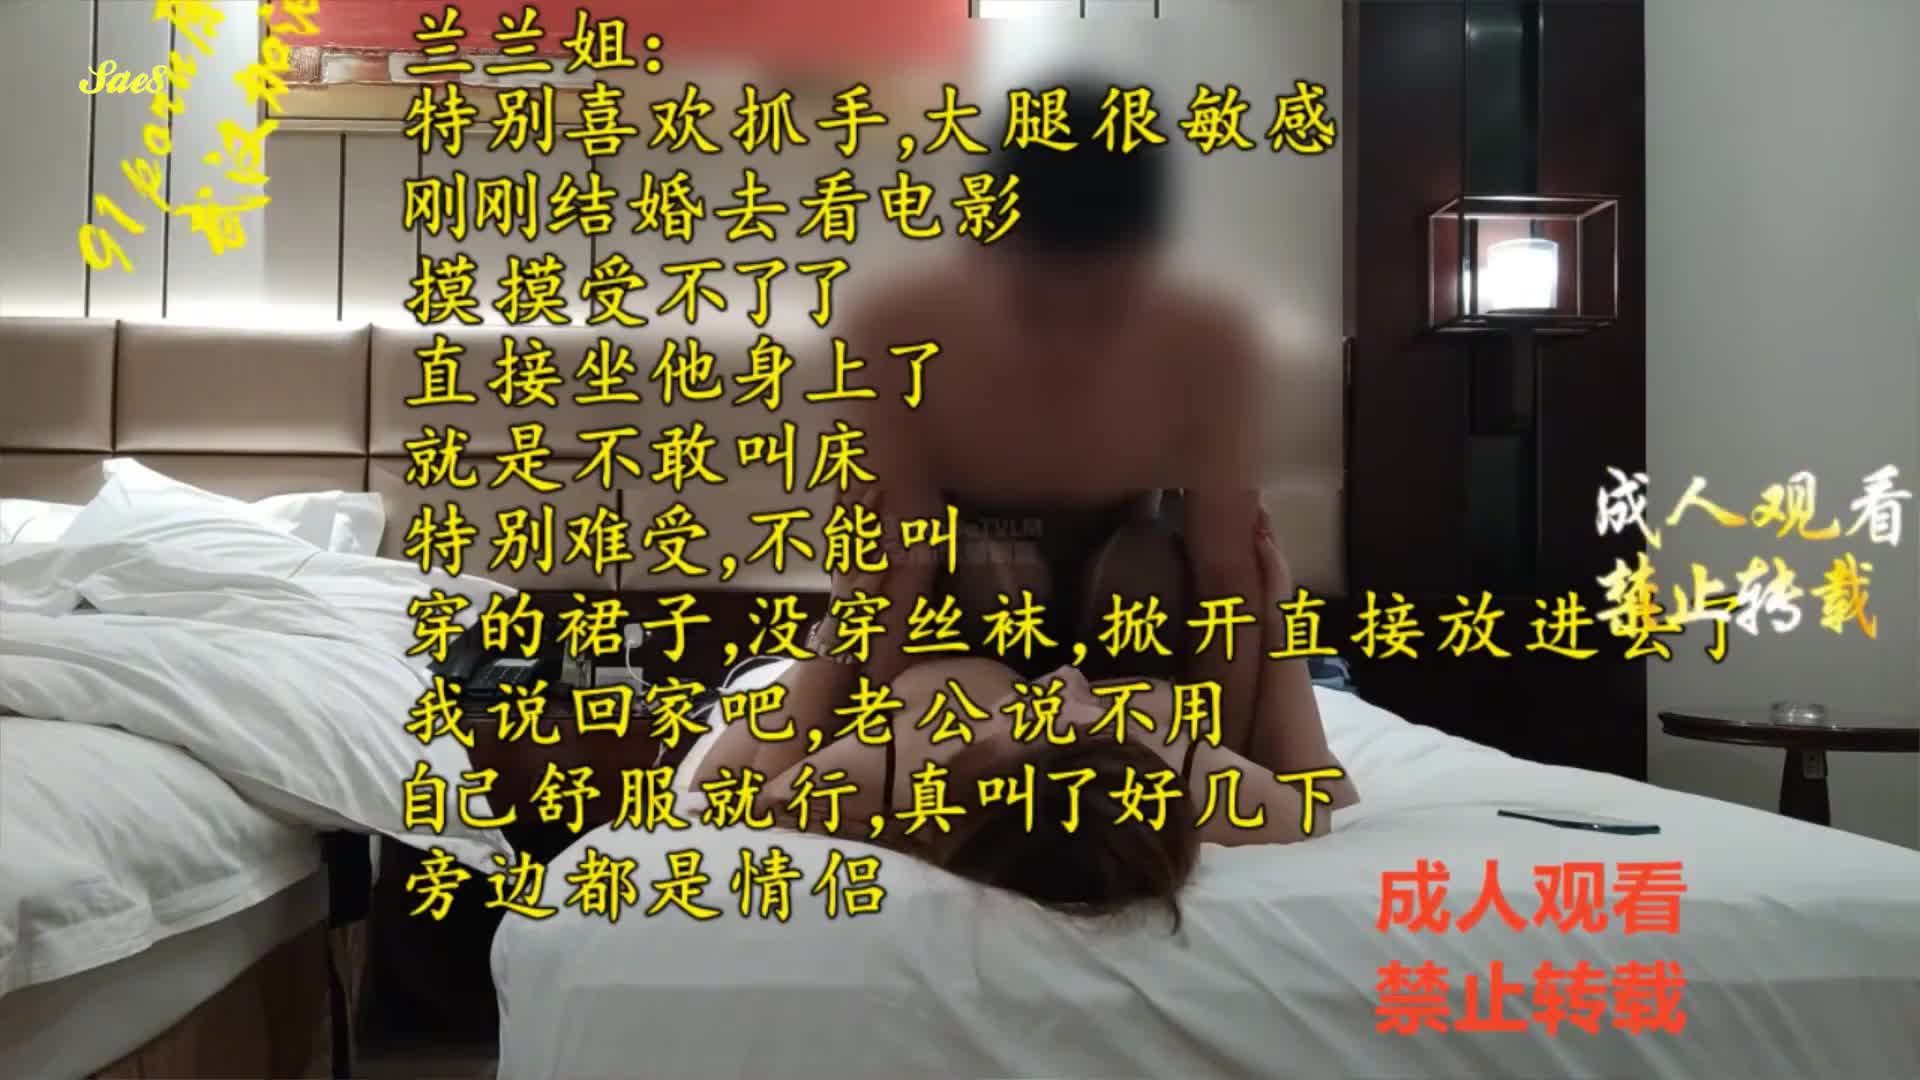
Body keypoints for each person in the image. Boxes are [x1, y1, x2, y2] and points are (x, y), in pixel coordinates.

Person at [837, 71, 1282, 760]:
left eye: (1102, 310)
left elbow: (1227, 573)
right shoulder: (902, 327)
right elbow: (898, 564)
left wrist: (1231, 761)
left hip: (1131, 615)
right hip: (969, 618)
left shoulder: (1207, 341)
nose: (1067, 343)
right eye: (1038, 308)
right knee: (988, 571)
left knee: (1142, 568)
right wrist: (863, 732)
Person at [693, 508, 1358, 927]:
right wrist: (1276, 610)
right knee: (1150, 559)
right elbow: (1325, 796)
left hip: (951, 632)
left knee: (966, 557)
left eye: (1032, 719)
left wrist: (844, 616)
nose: (1062, 679)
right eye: (1091, 721)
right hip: (1138, 636)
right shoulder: (1183, 784)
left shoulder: (892, 772)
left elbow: (723, 784)